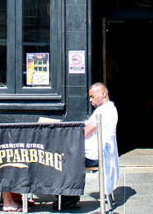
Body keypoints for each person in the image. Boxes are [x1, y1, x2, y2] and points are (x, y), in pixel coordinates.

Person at [55, 82, 118, 210]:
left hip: (94, 154)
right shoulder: (108, 109)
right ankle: (69, 195)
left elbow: (85, 132)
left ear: (103, 94)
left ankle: (68, 197)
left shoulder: (104, 111)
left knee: (61, 160)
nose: (90, 100)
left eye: (92, 97)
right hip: (96, 152)